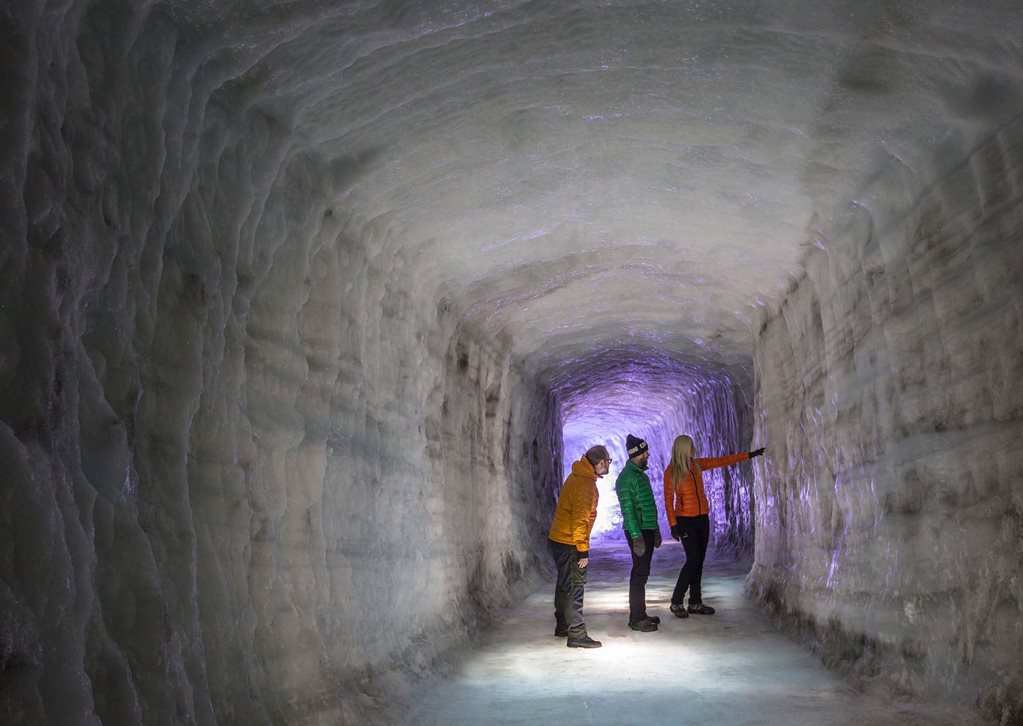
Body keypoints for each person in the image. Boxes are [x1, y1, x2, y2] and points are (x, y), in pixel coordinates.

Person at [663, 435, 765, 617]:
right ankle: (676, 601)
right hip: (685, 520)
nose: (693, 448)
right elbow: (668, 500)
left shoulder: (696, 465)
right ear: (684, 448)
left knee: (699, 562)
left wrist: (749, 455)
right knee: (692, 560)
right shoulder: (671, 472)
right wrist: (673, 525)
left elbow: (721, 461)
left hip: (702, 518)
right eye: (691, 446)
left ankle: (695, 602)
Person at [548, 445, 611, 648]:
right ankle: (576, 632)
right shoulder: (585, 484)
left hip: (559, 539)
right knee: (576, 585)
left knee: (564, 583)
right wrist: (583, 549)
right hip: (570, 542)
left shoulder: (577, 476)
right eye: (608, 461)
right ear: (600, 463)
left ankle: (563, 625)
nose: (608, 465)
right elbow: (580, 521)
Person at [614, 434, 662, 632]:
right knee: (639, 573)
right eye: (645, 452)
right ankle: (636, 618)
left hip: (646, 529)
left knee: (643, 573)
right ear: (637, 454)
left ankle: (641, 613)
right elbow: (628, 509)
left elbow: (647, 505)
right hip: (639, 531)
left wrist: (655, 528)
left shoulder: (639, 475)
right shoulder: (626, 478)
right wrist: (636, 536)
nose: (648, 455)